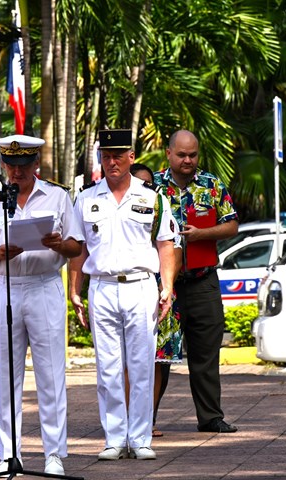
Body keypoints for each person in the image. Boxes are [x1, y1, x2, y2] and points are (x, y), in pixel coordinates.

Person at [0, 134, 84, 476]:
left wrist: (58, 244)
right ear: (3, 165)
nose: (16, 173)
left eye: (23, 166)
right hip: (6, 286)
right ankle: (8, 454)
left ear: (35, 164)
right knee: (5, 376)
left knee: (50, 373)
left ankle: (54, 454)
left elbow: (77, 247)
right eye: (10, 166)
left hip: (44, 284)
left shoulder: (57, 196)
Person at [69, 129, 177, 461]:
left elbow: (166, 244)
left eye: (118, 155)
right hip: (102, 286)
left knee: (142, 365)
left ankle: (141, 438)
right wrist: (74, 290)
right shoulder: (86, 198)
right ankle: (114, 438)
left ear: (131, 157)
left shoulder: (152, 197)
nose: (112, 162)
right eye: (106, 156)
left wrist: (167, 287)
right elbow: (79, 248)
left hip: (140, 285)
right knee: (108, 368)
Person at [153, 129, 239, 434]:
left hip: (203, 281)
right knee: (158, 354)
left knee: (206, 353)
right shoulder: (151, 187)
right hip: (164, 285)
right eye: (182, 155)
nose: (188, 160)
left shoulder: (212, 185)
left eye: (193, 155)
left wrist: (202, 234)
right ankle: (144, 420)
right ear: (169, 153)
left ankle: (211, 417)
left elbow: (232, 225)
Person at [129, 163, 183, 437]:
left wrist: (165, 287)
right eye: (138, 181)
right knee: (125, 362)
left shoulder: (161, 207)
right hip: (127, 290)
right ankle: (126, 420)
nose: (144, 187)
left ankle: (148, 419)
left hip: (158, 291)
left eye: (148, 183)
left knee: (156, 360)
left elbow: (174, 249)